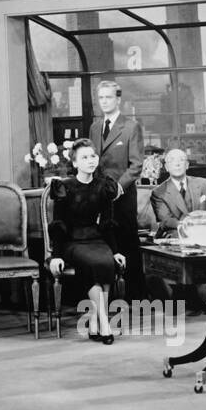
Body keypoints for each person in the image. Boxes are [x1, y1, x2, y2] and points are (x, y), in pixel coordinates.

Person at [47, 139, 126, 345]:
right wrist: (55, 256)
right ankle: (105, 323)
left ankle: (94, 321)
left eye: (93, 156)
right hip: (72, 242)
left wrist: (116, 251)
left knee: (108, 262)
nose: (90, 161)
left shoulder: (104, 186)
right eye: (84, 157)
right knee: (93, 264)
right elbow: (58, 225)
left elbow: (107, 223)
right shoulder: (64, 187)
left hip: (96, 239)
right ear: (75, 163)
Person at [88, 81, 144, 299]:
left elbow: (136, 164)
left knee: (127, 245)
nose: (104, 102)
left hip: (123, 197)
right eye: (101, 98)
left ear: (118, 99)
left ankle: (136, 297)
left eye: (108, 97)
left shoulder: (131, 127)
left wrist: (119, 188)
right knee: (105, 245)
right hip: (100, 197)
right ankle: (109, 298)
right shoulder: (94, 127)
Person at [150, 147, 206, 236]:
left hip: (203, 233)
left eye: (181, 160)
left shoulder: (204, 184)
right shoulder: (159, 192)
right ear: (166, 167)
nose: (177, 164)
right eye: (172, 161)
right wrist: (189, 226)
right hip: (175, 235)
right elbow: (166, 221)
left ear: (187, 165)